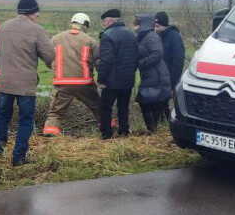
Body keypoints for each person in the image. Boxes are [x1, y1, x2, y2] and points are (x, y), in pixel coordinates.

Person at [0, 0, 55, 166]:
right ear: (32, 12)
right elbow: (50, 56)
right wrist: (51, 67)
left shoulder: (4, 27)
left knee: (3, 116)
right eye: (36, 12)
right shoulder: (37, 30)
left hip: (5, 83)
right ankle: (18, 157)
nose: (38, 15)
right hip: (26, 85)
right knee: (25, 121)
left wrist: (4, 67)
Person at [43, 13, 100, 136]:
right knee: (99, 108)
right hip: (85, 84)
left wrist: (56, 70)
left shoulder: (55, 38)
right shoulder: (90, 40)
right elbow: (99, 61)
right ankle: (109, 129)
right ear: (85, 25)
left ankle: (49, 135)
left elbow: (48, 58)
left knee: (55, 112)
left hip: (62, 83)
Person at [97, 8, 138, 139]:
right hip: (128, 79)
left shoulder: (107, 35)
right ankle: (124, 131)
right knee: (123, 107)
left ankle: (106, 134)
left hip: (111, 80)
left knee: (105, 107)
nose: (104, 24)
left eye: (104, 22)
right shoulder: (131, 34)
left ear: (109, 21)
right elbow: (136, 57)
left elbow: (106, 60)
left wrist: (101, 79)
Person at [134, 15, 172, 134]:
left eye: (137, 24)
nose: (135, 27)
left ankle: (152, 131)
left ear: (144, 24)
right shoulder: (144, 36)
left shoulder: (151, 37)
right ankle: (153, 130)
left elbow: (157, 53)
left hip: (156, 74)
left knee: (146, 102)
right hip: (150, 75)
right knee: (151, 102)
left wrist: (141, 63)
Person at [154, 11, 186, 88]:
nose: (155, 29)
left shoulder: (174, 37)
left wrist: (171, 83)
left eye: (157, 26)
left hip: (168, 82)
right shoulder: (157, 36)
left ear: (164, 25)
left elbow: (178, 61)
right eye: (154, 26)